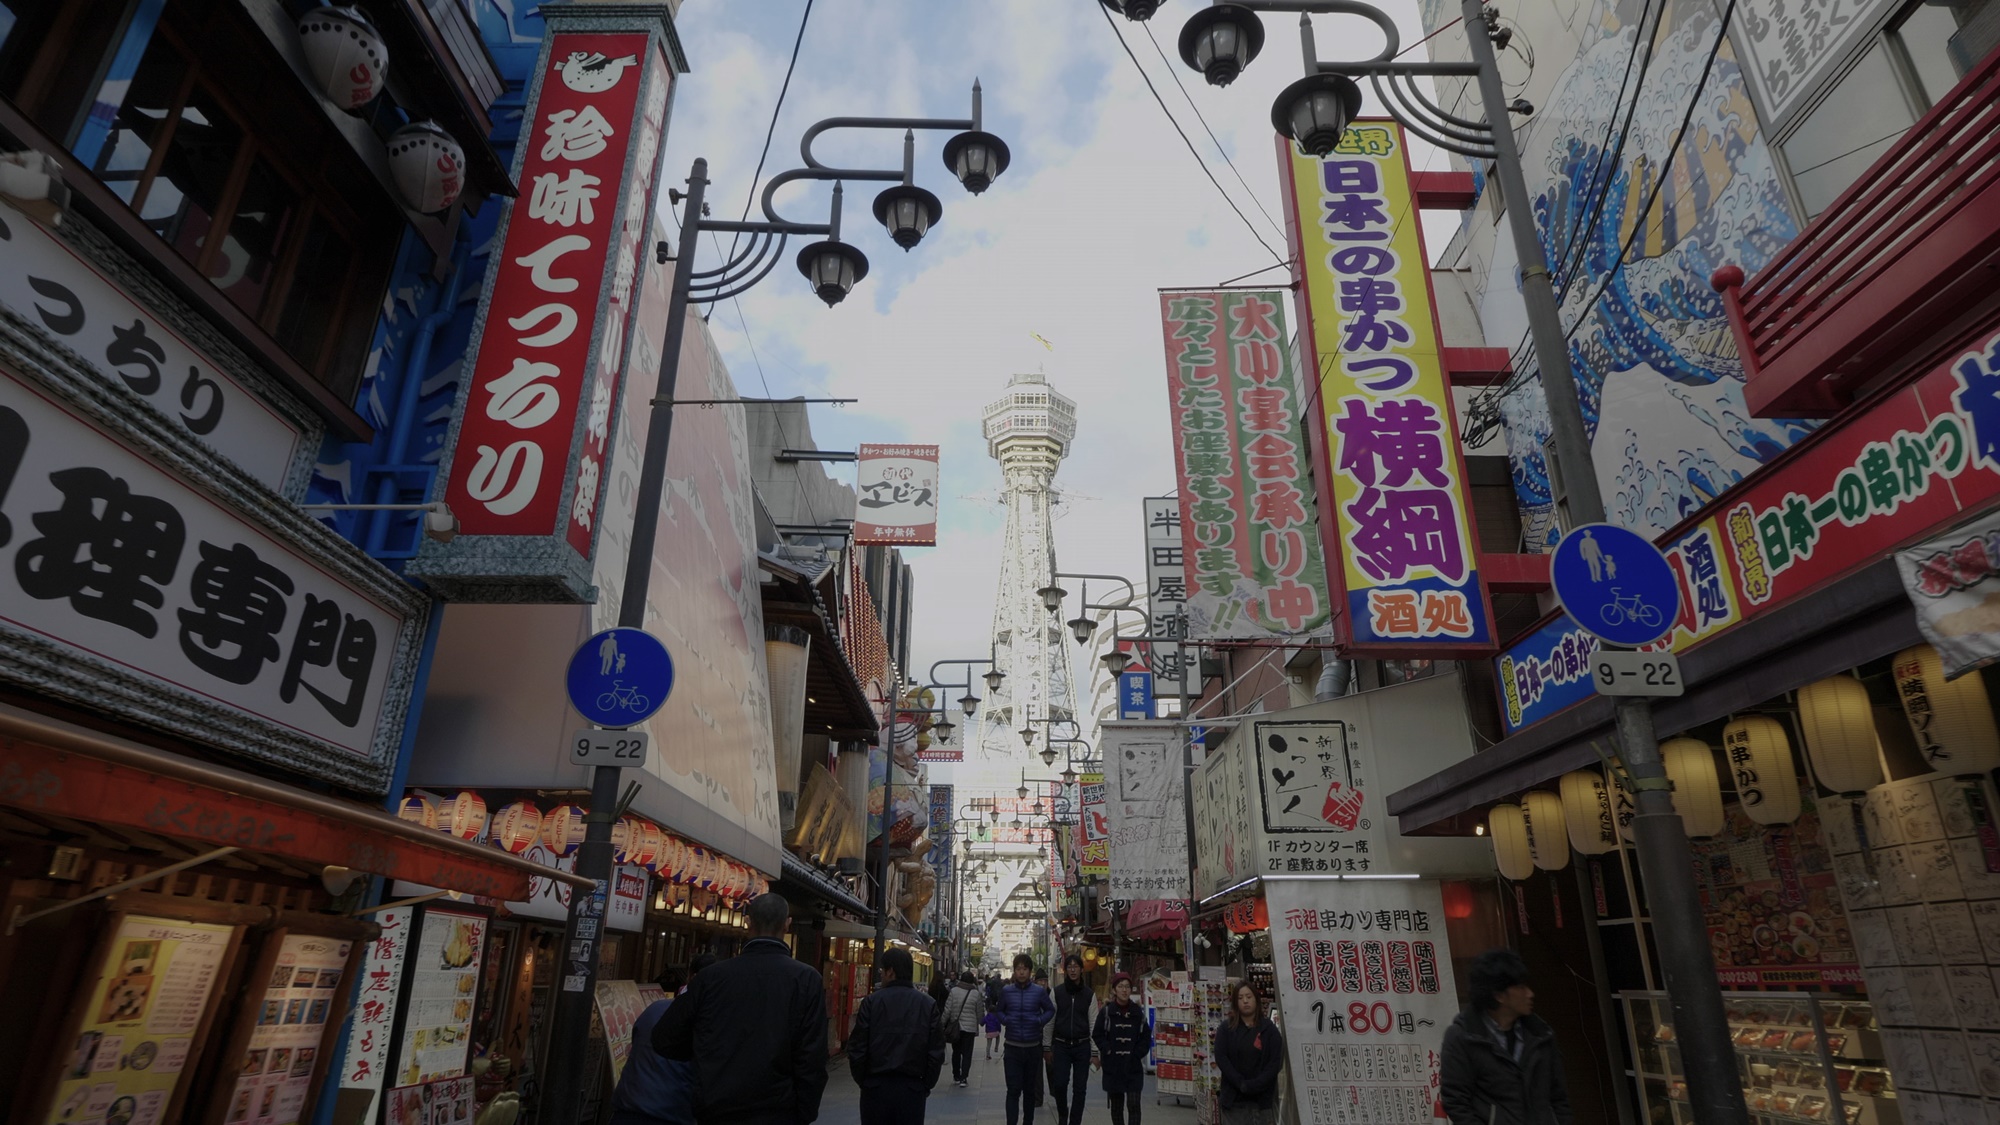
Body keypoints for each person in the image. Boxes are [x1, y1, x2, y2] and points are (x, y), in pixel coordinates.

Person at [655, 895, 829, 1125]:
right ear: (787, 924)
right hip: (779, 1110)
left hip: (717, 1108)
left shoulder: (711, 978)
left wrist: (705, 1055)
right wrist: (804, 1113)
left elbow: (664, 1038)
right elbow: (813, 1057)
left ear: (748, 922)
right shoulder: (806, 979)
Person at [1439, 949, 1572, 1125]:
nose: (1530, 994)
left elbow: (1559, 1096)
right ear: (1499, 995)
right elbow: (1456, 1102)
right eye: (1521, 987)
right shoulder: (1463, 1037)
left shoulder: (1541, 1034)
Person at [613, 956, 715, 1125]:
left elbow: (635, 1044)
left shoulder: (655, 1009)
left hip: (629, 1108)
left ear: (690, 977)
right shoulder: (708, 1023)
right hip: (673, 1113)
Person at [848, 948, 945, 1125]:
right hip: (912, 1088)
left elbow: (857, 1047)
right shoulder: (927, 1004)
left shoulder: (871, 1002)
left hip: (875, 1087)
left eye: (882, 971)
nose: (881, 976)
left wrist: (864, 1081)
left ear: (890, 971)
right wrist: (925, 1085)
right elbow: (936, 1051)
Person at [1213, 981, 1284, 1125]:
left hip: (1262, 1102)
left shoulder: (1269, 1029)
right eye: (1240, 998)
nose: (1245, 1001)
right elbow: (1221, 1058)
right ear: (1235, 1002)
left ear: (1256, 1000)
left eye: (1248, 996)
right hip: (1234, 1101)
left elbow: (1276, 1061)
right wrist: (1240, 1083)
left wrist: (1257, 1084)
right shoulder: (1226, 1029)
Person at [996, 953, 1055, 1125]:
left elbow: (1050, 1010)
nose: (1021, 972)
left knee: (1029, 1091)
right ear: (1014, 971)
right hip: (1012, 1047)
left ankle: (1028, 1122)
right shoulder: (1007, 991)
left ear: (1030, 971)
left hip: (1032, 1047)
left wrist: (1039, 1021)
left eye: (1025, 969)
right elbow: (999, 1011)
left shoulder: (1038, 992)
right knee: (1013, 1090)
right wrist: (1006, 1021)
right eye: (1018, 969)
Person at [1092, 973, 1151, 1125]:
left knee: (1134, 1105)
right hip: (1113, 1065)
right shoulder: (1107, 1012)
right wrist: (1107, 1050)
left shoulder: (1137, 1013)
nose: (1124, 990)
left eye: (1127, 987)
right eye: (1120, 986)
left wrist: (1137, 1053)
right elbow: (1097, 1034)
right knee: (1116, 1107)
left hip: (1133, 1065)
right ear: (1114, 990)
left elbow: (1146, 1036)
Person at [1042, 955, 1094, 1125]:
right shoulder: (1057, 993)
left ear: (1081, 969)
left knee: (1080, 1089)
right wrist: (1047, 1046)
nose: (1073, 970)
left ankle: (1075, 1121)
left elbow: (1094, 1023)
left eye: (1076, 966)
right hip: (1061, 1045)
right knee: (1059, 1084)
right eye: (1069, 967)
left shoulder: (1089, 995)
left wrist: (1095, 1052)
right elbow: (1049, 1021)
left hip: (1082, 1045)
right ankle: (1063, 1115)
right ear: (1065, 970)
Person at [941, 971, 985, 1086]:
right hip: (969, 1029)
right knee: (967, 1053)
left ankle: (956, 1075)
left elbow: (947, 1009)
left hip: (956, 1027)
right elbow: (979, 1011)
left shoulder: (954, 991)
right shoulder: (976, 993)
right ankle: (964, 1078)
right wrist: (981, 1021)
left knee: (956, 1052)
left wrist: (942, 1022)